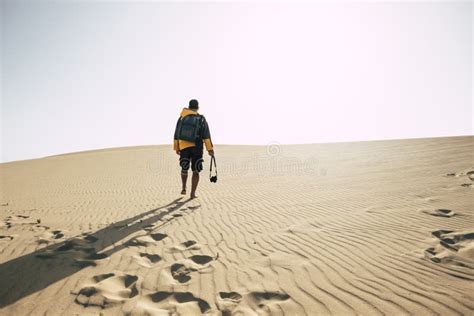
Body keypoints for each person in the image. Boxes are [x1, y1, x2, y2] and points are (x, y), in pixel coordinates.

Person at [173, 99, 214, 199]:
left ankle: (183, 187)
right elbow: (206, 135)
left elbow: (177, 132)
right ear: (198, 107)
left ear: (189, 106)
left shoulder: (182, 118)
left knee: (184, 168)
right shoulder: (201, 119)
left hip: (184, 146)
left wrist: (177, 147)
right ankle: (193, 193)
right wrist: (210, 149)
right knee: (196, 170)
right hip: (197, 146)